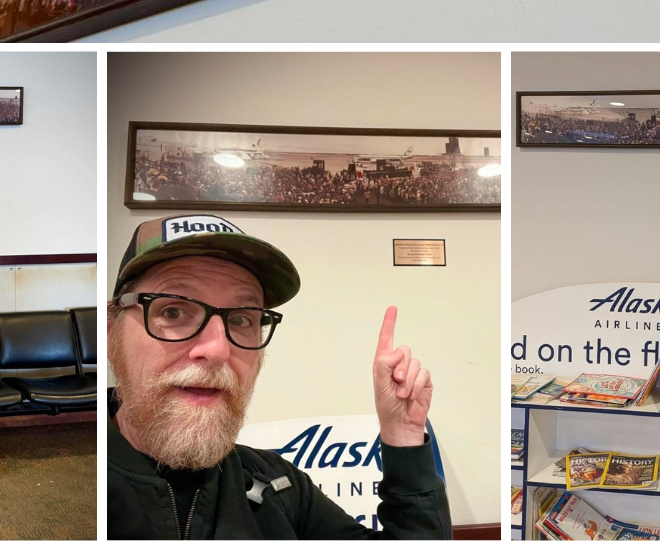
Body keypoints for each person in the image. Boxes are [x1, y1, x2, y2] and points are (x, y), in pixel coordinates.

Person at [106, 213, 452, 540]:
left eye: (242, 319)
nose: (217, 349)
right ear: (111, 334)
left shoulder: (277, 484)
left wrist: (403, 436)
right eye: (173, 310)